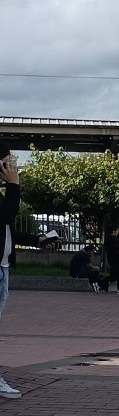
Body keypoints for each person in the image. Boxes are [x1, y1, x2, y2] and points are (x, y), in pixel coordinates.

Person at [1, 151, 55, 400]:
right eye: (8, 161)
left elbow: (8, 228)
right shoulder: (7, 192)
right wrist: (14, 185)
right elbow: (6, 215)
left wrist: (37, 239)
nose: (13, 166)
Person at [104, 221, 119, 294]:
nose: (118, 231)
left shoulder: (108, 239)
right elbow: (116, 250)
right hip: (115, 259)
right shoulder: (113, 239)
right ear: (114, 230)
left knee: (114, 275)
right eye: (117, 230)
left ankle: (102, 284)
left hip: (111, 258)